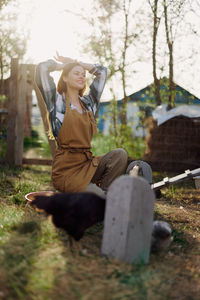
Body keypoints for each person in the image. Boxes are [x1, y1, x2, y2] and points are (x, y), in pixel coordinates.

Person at [35, 53, 128, 198]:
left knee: (119, 155)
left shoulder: (89, 104)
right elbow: (41, 69)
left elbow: (102, 72)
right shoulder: (57, 102)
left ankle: (103, 193)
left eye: (83, 74)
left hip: (87, 164)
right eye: (76, 73)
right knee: (98, 197)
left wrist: (77, 62)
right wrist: (62, 66)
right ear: (65, 78)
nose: (82, 77)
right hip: (66, 172)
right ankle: (101, 197)